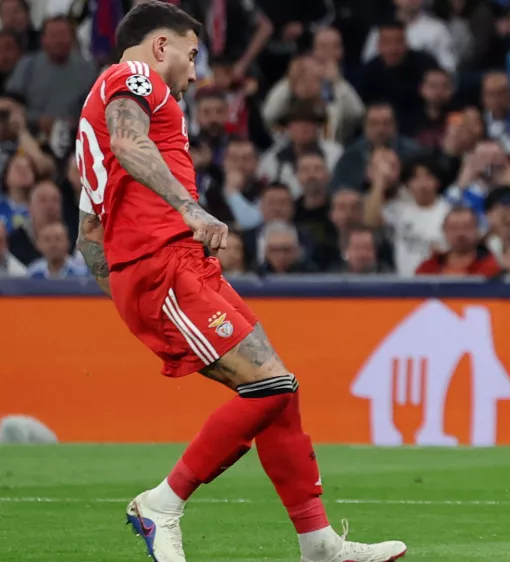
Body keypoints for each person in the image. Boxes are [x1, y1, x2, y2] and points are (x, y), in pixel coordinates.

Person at [72, 3, 406, 562]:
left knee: (281, 391)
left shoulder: (97, 115)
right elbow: (131, 146)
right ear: (160, 47)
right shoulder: (132, 78)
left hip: (168, 267)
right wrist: (188, 212)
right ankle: (163, 504)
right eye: (192, 55)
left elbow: (88, 230)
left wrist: (127, 293)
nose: (196, 72)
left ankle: (317, 541)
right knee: (269, 386)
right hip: (164, 262)